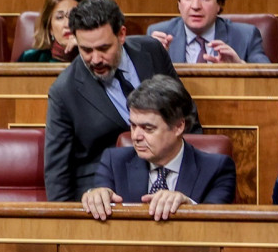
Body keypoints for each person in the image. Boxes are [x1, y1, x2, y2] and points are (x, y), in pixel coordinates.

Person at [44, 0, 196, 201]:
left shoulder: (151, 51)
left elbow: (187, 116)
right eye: (86, 50)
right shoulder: (64, 91)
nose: (96, 59)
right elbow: (57, 170)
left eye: (104, 48)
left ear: (121, 34)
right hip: (107, 196)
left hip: (169, 179)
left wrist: (194, 176)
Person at [82, 76, 235, 220]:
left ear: (178, 127)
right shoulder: (114, 162)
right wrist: (94, 196)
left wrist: (188, 207)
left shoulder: (217, 169)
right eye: (133, 126)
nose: (136, 136)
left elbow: (217, 226)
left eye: (148, 128)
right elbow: (100, 198)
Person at [147, 0, 270, 64]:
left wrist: (239, 68)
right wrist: (154, 59)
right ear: (179, 2)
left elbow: (269, 82)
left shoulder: (246, 36)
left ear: (219, 3)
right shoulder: (159, 35)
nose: (195, 6)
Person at [19, 0, 85, 62]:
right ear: (50, 28)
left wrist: (86, 48)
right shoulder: (30, 58)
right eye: (60, 17)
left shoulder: (96, 58)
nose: (67, 24)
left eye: (74, 16)